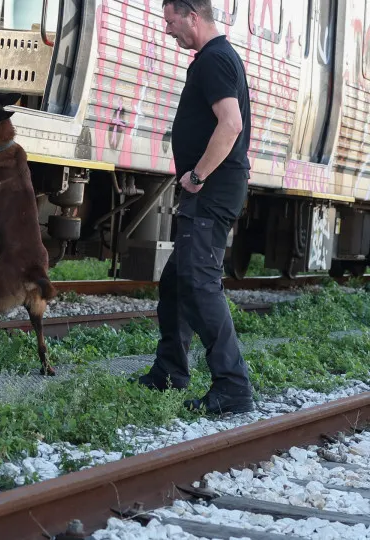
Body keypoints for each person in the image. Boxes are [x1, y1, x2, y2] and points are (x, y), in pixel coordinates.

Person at [133, 0, 254, 414]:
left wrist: (198, 176)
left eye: (171, 22)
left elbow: (231, 124)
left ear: (193, 16)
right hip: (213, 190)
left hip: (212, 190)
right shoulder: (216, 58)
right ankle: (170, 371)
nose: (168, 31)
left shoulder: (215, 60)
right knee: (177, 283)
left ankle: (233, 386)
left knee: (201, 284)